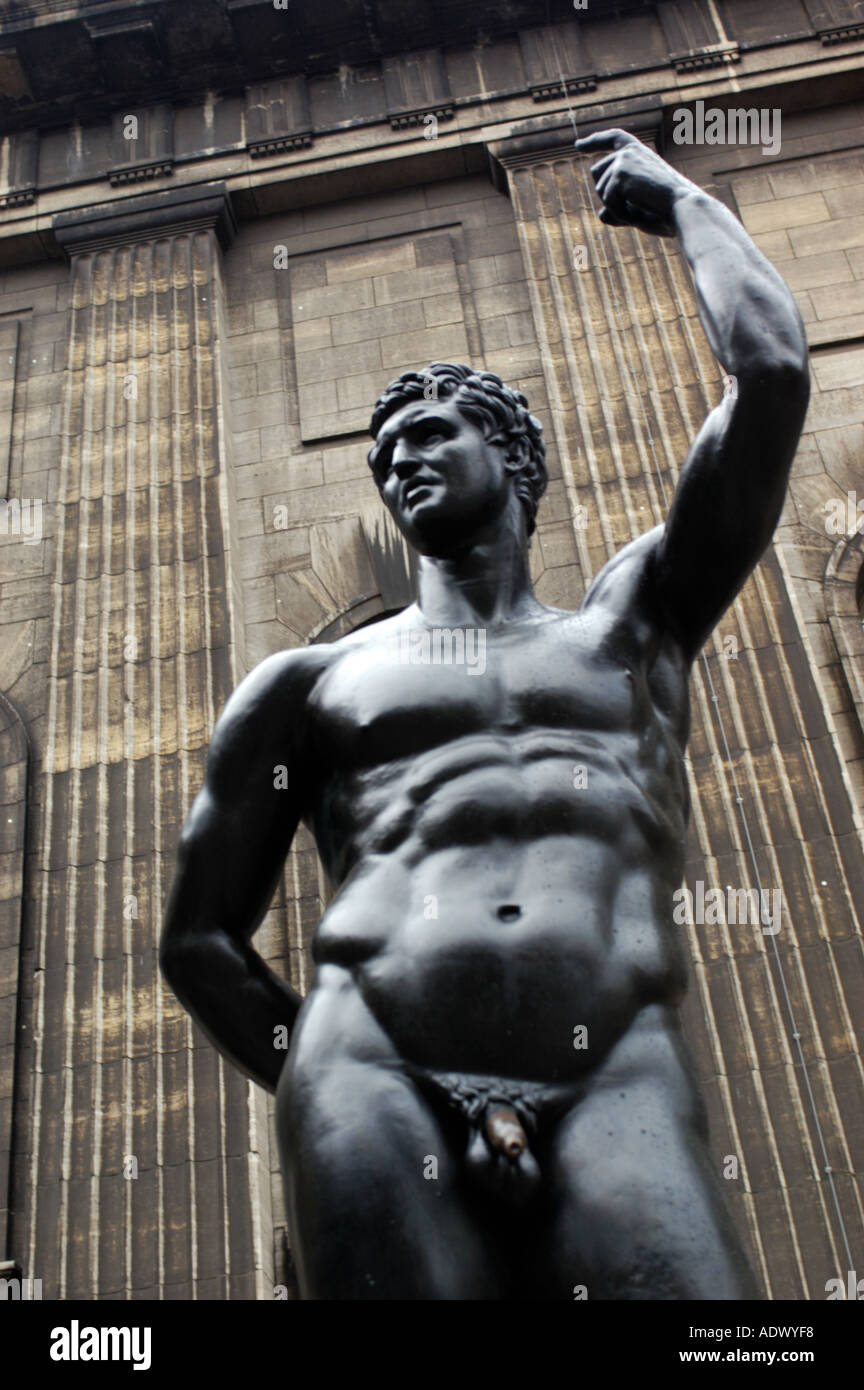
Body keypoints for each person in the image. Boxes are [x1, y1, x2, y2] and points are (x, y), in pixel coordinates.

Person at [161, 131, 810, 1299]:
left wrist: (683, 202)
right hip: (373, 1067)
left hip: (615, 1069)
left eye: (427, 435)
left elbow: (770, 381)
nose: (397, 460)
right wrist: (310, 1062)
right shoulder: (307, 686)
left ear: (509, 454)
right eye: (381, 454)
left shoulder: (634, 628)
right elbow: (199, 937)